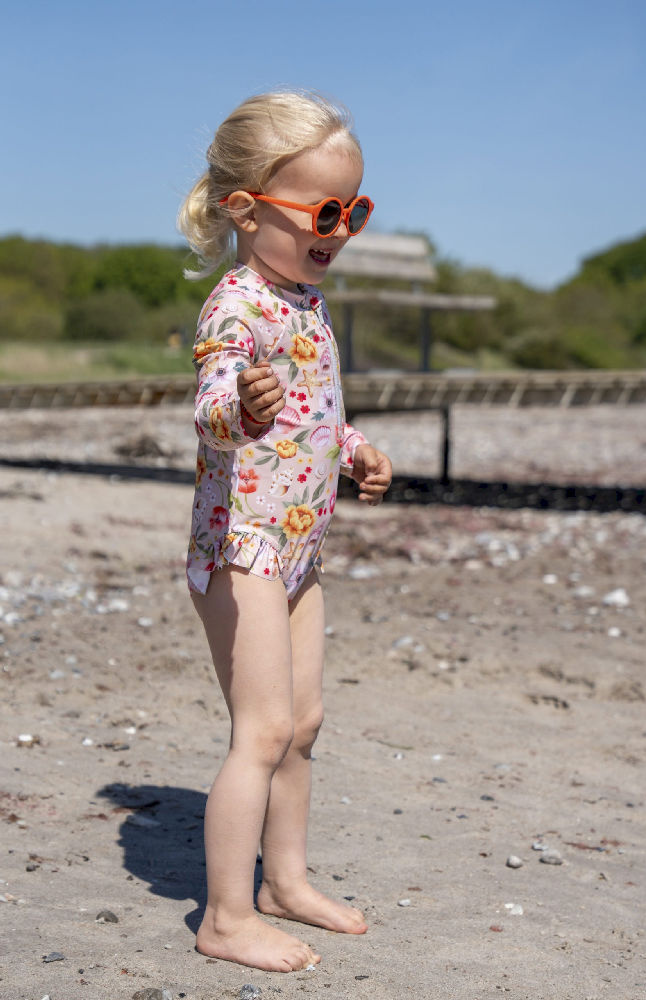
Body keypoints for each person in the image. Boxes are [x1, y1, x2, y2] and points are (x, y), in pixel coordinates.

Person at [178, 91, 392, 974]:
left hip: (300, 545)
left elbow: (314, 412)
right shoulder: (237, 304)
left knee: (303, 724)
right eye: (322, 213)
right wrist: (242, 406)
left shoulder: (306, 299)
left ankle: (285, 882)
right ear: (245, 209)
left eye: (353, 211)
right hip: (244, 547)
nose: (339, 231)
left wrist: (353, 448)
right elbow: (211, 408)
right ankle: (226, 916)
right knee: (262, 731)